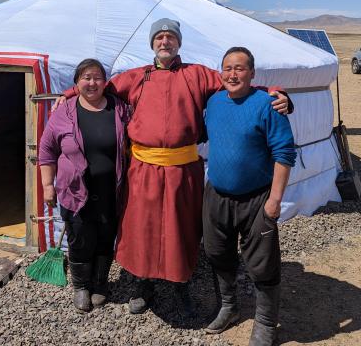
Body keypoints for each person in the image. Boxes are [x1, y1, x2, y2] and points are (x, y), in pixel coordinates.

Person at [56, 18, 292, 317]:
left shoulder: (197, 74)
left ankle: (181, 285)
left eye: (170, 37)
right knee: (142, 227)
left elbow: (237, 84)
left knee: (181, 228)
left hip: (183, 170)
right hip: (143, 169)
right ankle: (143, 284)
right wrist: (67, 94)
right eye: (159, 37)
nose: (164, 42)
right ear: (152, 43)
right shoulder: (136, 77)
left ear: (179, 42)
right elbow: (97, 87)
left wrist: (277, 92)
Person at [202, 47, 296, 345]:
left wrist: (275, 199)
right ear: (220, 73)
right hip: (216, 195)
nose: (233, 74)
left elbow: (284, 153)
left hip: (258, 198)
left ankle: (266, 323)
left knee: (263, 261)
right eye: (228, 68)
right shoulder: (214, 101)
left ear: (252, 73)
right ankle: (229, 308)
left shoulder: (268, 104)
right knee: (217, 252)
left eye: (240, 68)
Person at [39, 59, 130, 313]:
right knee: (79, 239)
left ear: (105, 82)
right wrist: (48, 185)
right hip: (74, 191)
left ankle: (100, 284)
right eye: (86, 78)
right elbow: (47, 151)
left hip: (111, 190)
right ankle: (81, 287)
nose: (92, 83)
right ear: (76, 82)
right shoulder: (63, 112)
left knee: (105, 238)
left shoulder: (119, 109)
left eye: (97, 78)